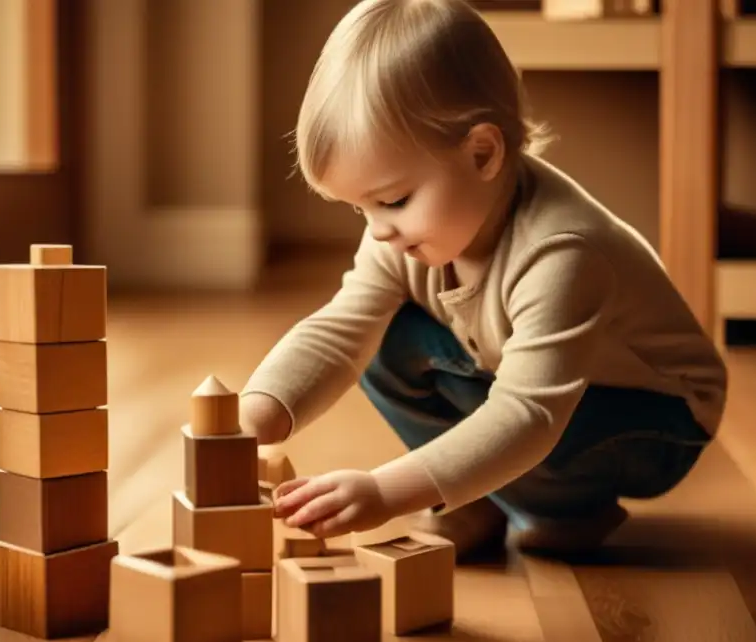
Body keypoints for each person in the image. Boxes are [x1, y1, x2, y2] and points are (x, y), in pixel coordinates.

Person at [238, 0, 727, 558]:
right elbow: (341, 328)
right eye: (361, 209)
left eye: (393, 200)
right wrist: (255, 414)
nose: (379, 231)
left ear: (482, 153)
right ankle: (472, 501)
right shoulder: (404, 234)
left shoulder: (561, 254)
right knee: (383, 342)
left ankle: (566, 508)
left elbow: (529, 416)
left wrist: (385, 490)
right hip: (545, 385)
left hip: (655, 417)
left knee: (531, 435)